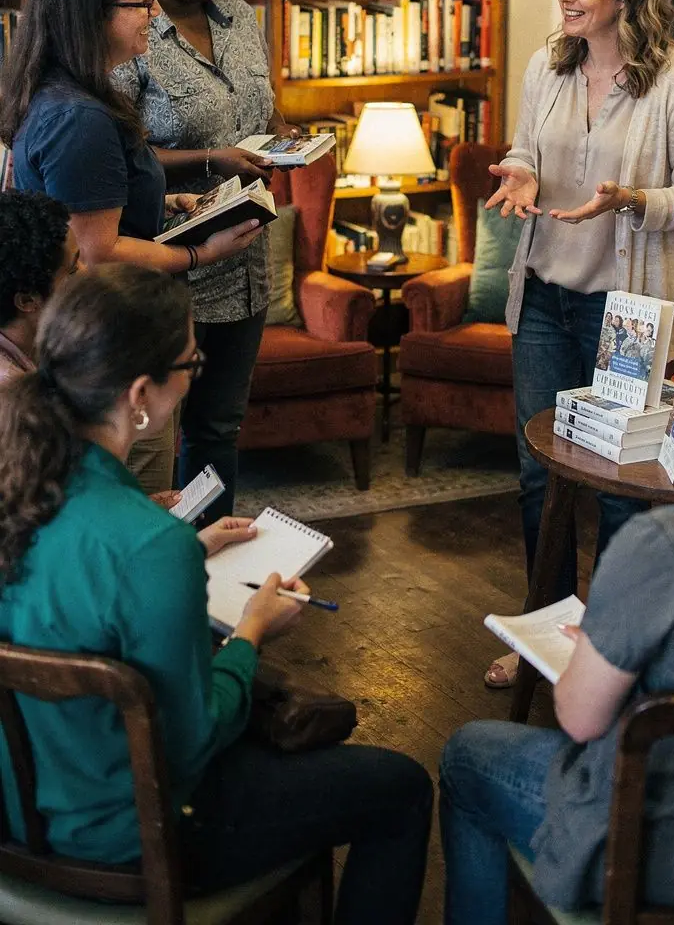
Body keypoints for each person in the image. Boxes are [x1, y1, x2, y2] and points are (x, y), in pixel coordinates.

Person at [0, 264, 433, 921]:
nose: (195, 374)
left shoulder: (24, 486)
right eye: (191, 363)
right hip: (132, 834)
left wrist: (189, 548)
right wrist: (253, 631)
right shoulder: (149, 543)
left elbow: (77, 582)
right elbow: (193, 738)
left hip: (19, 808)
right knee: (401, 787)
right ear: (140, 393)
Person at [441, 295, 674, 923]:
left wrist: (589, 650)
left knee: (467, 754)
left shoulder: (662, 548)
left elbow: (580, 717)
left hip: (663, 853)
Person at [483, 0, 674, 688]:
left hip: (628, 316)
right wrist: (520, 170)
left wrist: (634, 201)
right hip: (544, 299)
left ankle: (608, 655)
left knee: (622, 484)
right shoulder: (545, 66)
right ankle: (541, 638)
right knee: (538, 475)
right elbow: (526, 149)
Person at [0, 0, 262, 494]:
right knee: (139, 491)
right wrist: (199, 253)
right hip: (114, 338)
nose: (156, 14)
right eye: (142, 3)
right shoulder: (80, 118)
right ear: (91, 15)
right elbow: (98, 251)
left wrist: (163, 201)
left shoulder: (69, 95)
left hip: (102, 335)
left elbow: (81, 203)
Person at [99, 0, 291, 519]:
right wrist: (215, 159)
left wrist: (284, 138)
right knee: (153, 437)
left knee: (219, 429)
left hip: (245, 261)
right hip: (169, 262)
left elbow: (261, 107)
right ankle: (159, 554)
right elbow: (121, 156)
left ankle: (212, 552)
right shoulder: (132, 34)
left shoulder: (239, 16)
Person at [0, 191, 80, 385]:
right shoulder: (15, 392)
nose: (86, 274)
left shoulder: (41, 339)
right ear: (27, 300)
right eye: (72, 271)